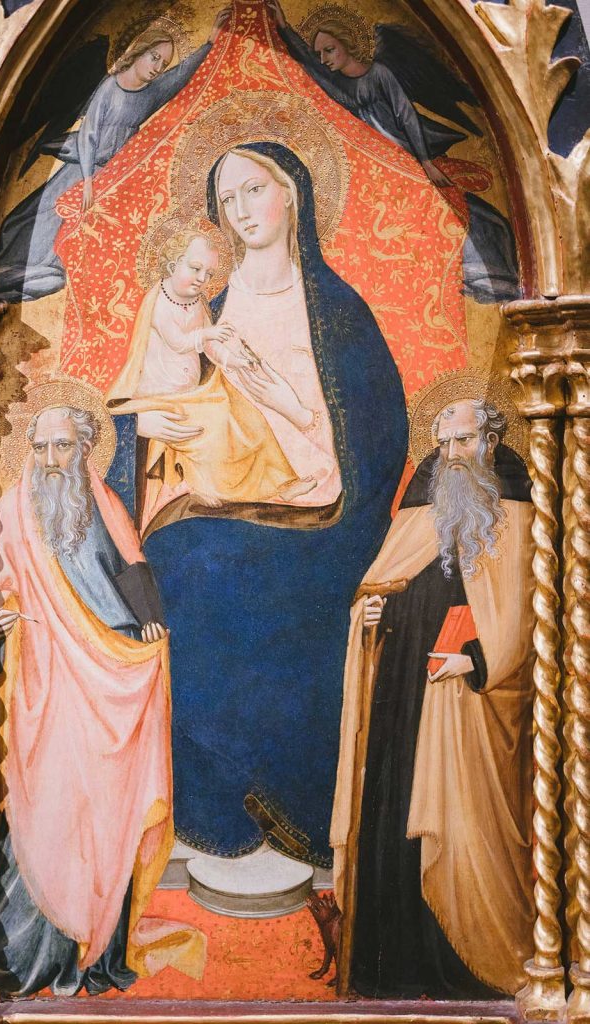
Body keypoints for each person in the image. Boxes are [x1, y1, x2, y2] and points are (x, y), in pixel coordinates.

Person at [128, 142, 408, 866]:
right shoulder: (207, 311)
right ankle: (214, 803)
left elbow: (377, 435)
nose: (241, 211)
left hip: (329, 511)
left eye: (254, 190)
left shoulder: (338, 312)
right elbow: (159, 398)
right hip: (225, 492)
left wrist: (302, 429)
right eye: (226, 200)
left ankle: (292, 799)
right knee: (173, 556)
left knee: (227, 566)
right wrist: (149, 427)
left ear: (294, 193)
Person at [0, 397, 204, 996]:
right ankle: (30, 958)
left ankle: (97, 956)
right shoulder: (9, 513)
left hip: (110, 679)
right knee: (46, 811)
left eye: (63, 446)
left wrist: (148, 622)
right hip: (45, 686)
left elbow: (133, 568)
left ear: (84, 452)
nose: (51, 459)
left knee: (109, 816)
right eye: (41, 447)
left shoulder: (103, 504)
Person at [331, 393, 535, 998]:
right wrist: (369, 614)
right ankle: (394, 968)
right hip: (401, 694)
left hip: (467, 698)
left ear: (490, 443)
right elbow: (381, 584)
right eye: (444, 443)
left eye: (464, 440)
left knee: (466, 826)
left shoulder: (516, 513)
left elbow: (525, 616)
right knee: (394, 815)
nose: (451, 454)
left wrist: (476, 660)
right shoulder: (421, 508)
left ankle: (469, 967)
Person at [267, 0, 520, 304]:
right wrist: (283, 27)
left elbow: (406, 116)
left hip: (404, 159)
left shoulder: (379, 74)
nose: (324, 59)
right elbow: (308, 64)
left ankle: (486, 268)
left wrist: (425, 162)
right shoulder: (339, 86)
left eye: (330, 50)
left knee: (450, 208)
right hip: (376, 167)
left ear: (348, 44)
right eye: (321, 53)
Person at [0, 12, 230, 303]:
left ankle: (49, 273)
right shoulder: (109, 88)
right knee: (43, 216)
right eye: (154, 57)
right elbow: (88, 137)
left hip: (111, 178)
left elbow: (179, 77)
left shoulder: (150, 94)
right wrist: (88, 181)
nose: (158, 68)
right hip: (83, 172)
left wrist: (209, 43)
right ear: (138, 51)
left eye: (163, 63)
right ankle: (10, 269)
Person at [106, 225, 313, 511]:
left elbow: (209, 348)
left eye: (209, 274)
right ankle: (205, 487)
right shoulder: (159, 302)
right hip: (162, 398)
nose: (202, 278)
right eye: (195, 268)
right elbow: (179, 343)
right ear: (173, 264)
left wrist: (232, 360)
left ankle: (283, 483)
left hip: (197, 393)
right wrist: (208, 333)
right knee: (211, 429)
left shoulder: (197, 301)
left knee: (249, 417)